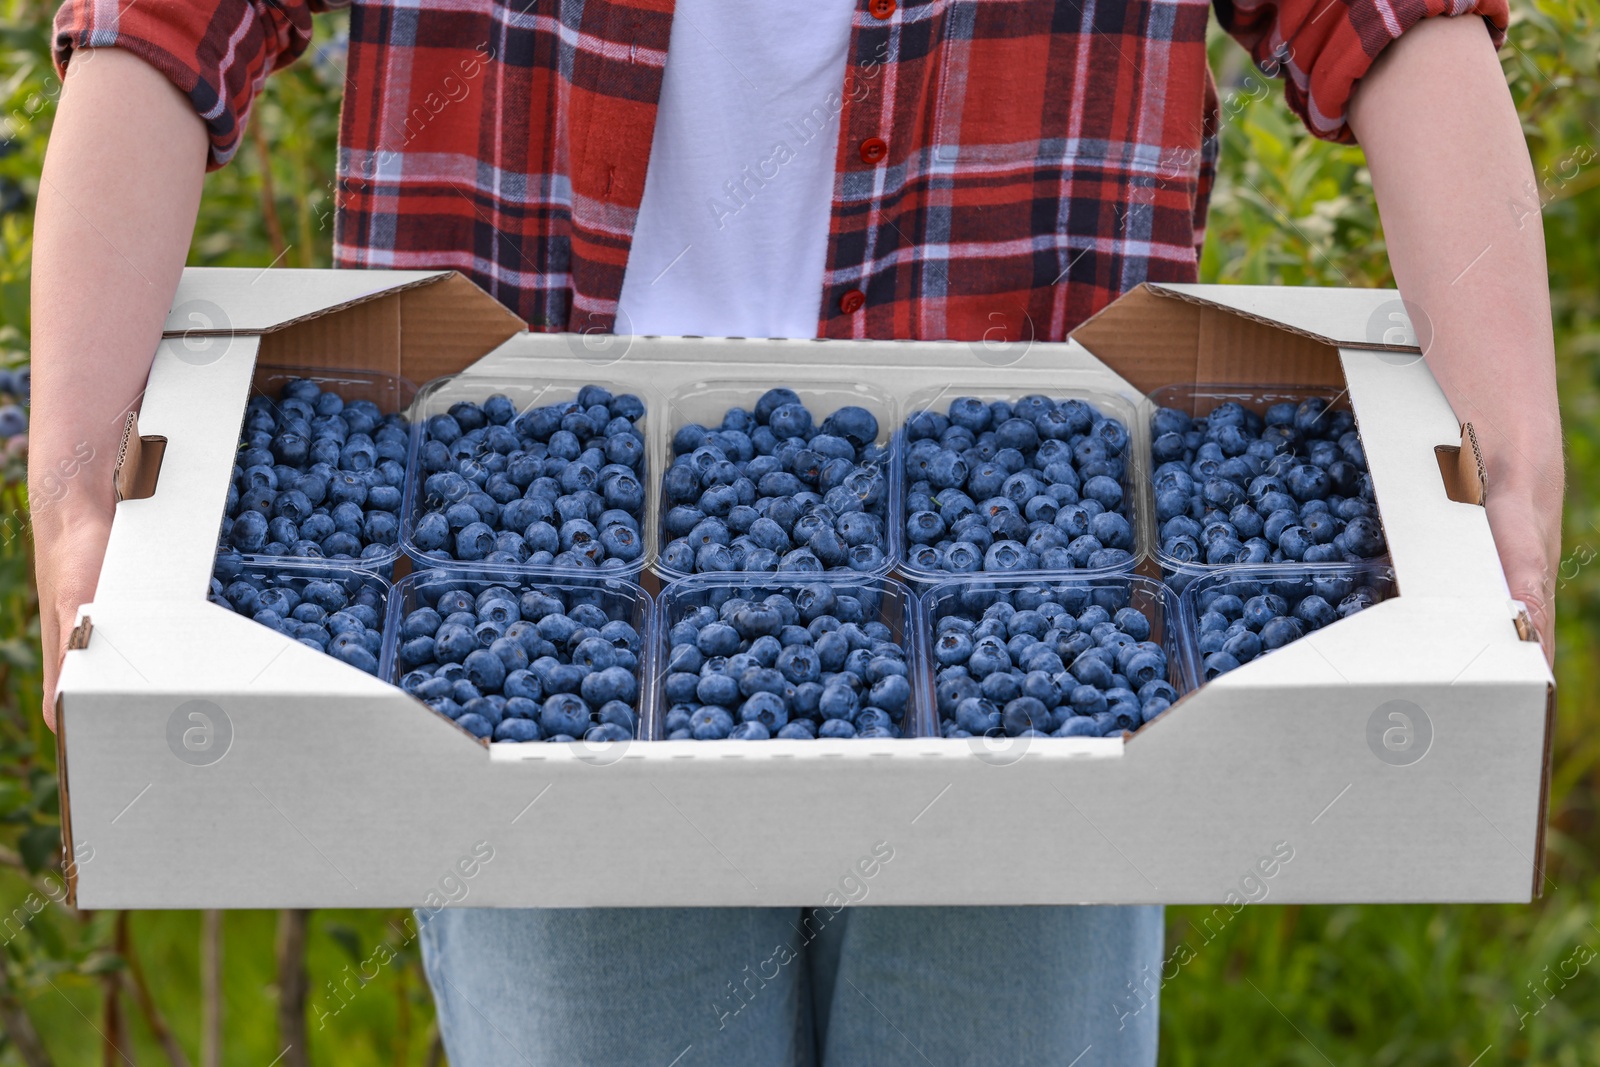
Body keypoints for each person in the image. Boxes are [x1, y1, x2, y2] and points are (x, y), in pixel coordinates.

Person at [31, 0, 1560, 1061]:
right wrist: (82, 478)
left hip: (1036, 576)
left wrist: (1508, 473)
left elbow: (1392, 20)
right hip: (526, 575)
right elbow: (163, 32)